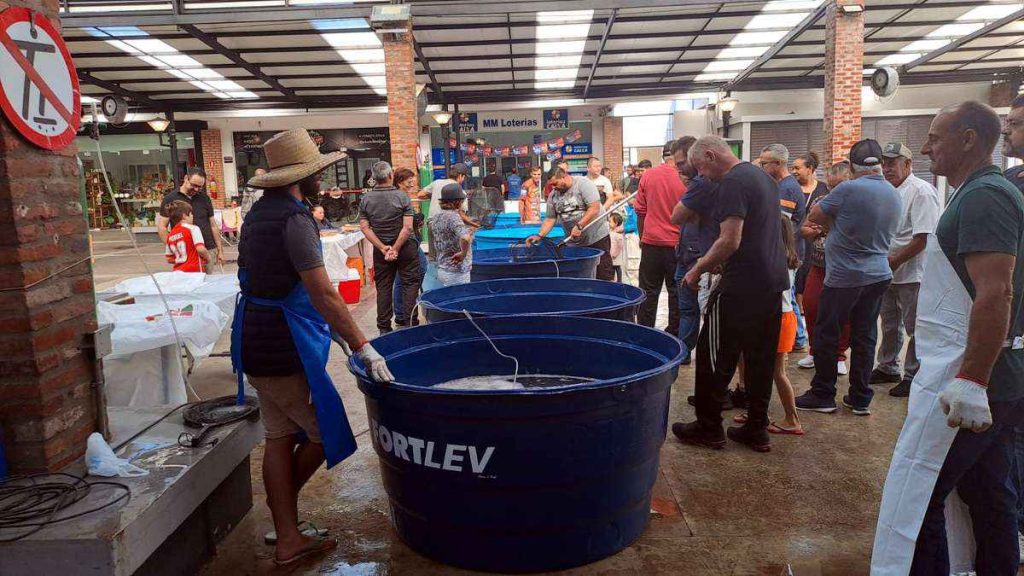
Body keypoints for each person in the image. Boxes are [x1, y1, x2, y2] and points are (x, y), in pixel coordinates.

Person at [873, 101, 1024, 576]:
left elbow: (996, 292)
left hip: (983, 375)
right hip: (993, 375)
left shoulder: (986, 197)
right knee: (987, 488)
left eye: (935, 137)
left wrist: (972, 381)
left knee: (921, 493)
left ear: (968, 140)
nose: (924, 148)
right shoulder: (975, 192)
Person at [232, 128, 391, 566]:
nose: (322, 179)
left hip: (256, 338)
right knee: (325, 433)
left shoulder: (259, 214)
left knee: (280, 436)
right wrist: (363, 346)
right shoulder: (294, 218)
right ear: (304, 178)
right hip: (282, 345)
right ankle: (286, 529)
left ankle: (286, 528)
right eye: (318, 172)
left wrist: (335, 331)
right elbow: (323, 293)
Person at [672, 135, 789, 453]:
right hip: (771, 282)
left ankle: (708, 427)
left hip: (741, 286)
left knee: (713, 356)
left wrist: (698, 268)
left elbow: (730, 239)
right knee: (760, 359)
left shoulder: (732, 183)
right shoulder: (762, 176)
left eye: (701, 169)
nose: (703, 177)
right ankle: (756, 428)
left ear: (710, 155)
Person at [794, 139, 901, 415]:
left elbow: (816, 215)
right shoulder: (892, 191)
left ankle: (823, 394)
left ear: (852, 166)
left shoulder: (848, 189)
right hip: (878, 274)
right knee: (865, 336)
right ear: (879, 163)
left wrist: (833, 223)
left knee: (827, 332)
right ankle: (860, 397)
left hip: (844, 276)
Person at [869, 142, 942, 398]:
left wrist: (894, 261)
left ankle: (914, 375)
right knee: (889, 323)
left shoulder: (921, 191)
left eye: (893, 163)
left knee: (915, 327)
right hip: (886, 269)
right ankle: (888, 366)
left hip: (912, 272)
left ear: (908, 164)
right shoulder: (886, 190)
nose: (887, 168)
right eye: (884, 163)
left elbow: (923, 239)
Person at [734, 215, 804, 436]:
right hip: (780, 316)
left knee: (777, 372)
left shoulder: (775, 260)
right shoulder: (788, 258)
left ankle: (792, 419)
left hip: (778, 318)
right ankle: (756, 411)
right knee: (758, 368)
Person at [797, 162, 853, 371]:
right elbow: (803, 228)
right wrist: (815, 232)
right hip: (818, 264)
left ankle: (839, 356)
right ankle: (814, 351)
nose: (833, 191)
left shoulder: (854, 204)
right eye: (831, 186)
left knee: (842, 313)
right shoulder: (821, 201)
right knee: (811, 307)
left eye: (838, 186)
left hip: (842, 267)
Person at [359, 161, 421, 335]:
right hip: (405, 247)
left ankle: (384, 328)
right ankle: (410, 324)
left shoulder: (366, 198)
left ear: (374, 177)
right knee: (409, 284)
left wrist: (383, 248)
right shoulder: (402, 197)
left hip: (381, 251)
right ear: (390, 176)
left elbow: (365, 227)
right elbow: (407, 227)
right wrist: (395, 248)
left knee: (384, 287)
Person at [759, 144, 809, 353]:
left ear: (778, 164)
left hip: (787, 252)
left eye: (764, 164)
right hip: (786, 251)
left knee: (786, 297)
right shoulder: (781, 185)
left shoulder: (786, 188)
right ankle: (797, 337)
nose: (761, 167)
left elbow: (779, 225)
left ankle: (797, 337)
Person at [527, 167, 615, 281]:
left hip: (596, 238)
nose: (554, 188)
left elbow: (594, 208)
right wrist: (540, 235)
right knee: (579, 277)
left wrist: (580, 225)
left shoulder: (583, 184)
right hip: (574, 242)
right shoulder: (553, 195)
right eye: (551, 185)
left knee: (603, 273)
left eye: (555, 183)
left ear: (564, 176)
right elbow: (550, 218)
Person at [636, 140, 687, 333]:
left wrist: (643, 238)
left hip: (651, 243)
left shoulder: (649, 175)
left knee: (648, 291)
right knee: (676, 292)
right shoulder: (687, 177)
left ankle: (644, 334)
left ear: (663, 156)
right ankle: (675, 334)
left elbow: (640, 210)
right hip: (677, 245)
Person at [791, 151, 828, 356]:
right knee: (797, 286)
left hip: (816, 247)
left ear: (811, 169)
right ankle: (803, 336)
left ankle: (802, 336)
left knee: (806, 286)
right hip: (796, 244)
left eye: (797, 167)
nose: (794, 171)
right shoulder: (792, 188)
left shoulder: (823, 190)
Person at [158, 167, 224, 268]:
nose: (196, 189)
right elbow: (162, 226)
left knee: (208, 282)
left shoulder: (204, 198)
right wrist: (172, 247)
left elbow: (213, 225)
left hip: (207, 248)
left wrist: (220, 250)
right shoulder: (170, 199)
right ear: (186, 178)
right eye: (194, 185)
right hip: (185, 252)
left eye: (200, 187)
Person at [392, 167, 427, 327]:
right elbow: (403, 224)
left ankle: (403, 314)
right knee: (413, 275)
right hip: (407, 243)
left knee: (402, 278)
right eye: (409, 180)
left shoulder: (401, 196)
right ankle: (407, 315)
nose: (412, 182)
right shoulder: (399, 197)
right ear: (400, 181)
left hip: (408, 241)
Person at [429, 183, 475, 286]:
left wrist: (468, 231)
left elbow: (446, 234)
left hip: (443, 268)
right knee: (461, 300)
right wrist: (463, 253)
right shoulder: (454, 217)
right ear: (457, 202)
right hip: (457, 271)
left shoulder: (436, 216)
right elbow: (465, 238)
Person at [164, 200, 210, 273]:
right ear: (184, 216)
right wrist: (208, 258)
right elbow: (200, 249)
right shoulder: (193, 228)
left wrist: (180, 259)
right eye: (191, 214)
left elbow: (169, 258)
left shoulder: (170, 235)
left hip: (178, 271)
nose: (192, 216)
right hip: (194, 270)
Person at [609, 212, 625, 283]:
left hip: (615, 255)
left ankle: (619, 281)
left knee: (617, 267)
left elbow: (620, 245)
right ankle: (612, 280)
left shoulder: (618, 234)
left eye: (610, 222)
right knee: (611, 267)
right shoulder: (610, 232)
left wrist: (615, 254)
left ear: (616, 223)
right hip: (611, 254)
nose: (608, 223)